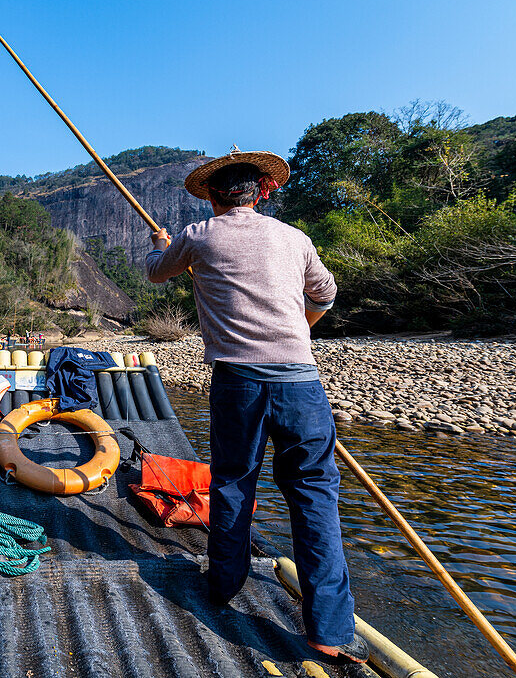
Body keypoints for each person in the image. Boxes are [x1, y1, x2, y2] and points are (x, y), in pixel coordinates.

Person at [144, 148, 367, 664]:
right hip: (302, 384)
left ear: (213, 197)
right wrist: (298, 330)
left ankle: (223, 587)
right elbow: (326, 294)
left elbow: (157, 271)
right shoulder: (295, 239)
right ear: (263, 192)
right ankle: (329, 633)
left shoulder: (198, 236)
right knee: (315, 497)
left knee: (233, 481)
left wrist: (159, 243)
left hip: (238, 382)